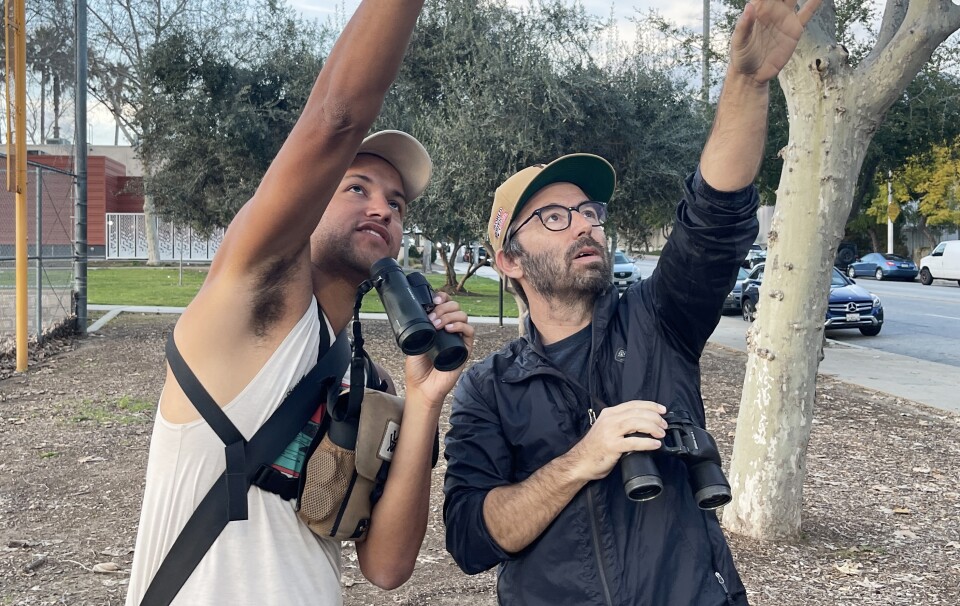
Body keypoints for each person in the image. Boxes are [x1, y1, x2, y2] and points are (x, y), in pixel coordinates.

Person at [442, 1, 821, 604]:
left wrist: (747, 83)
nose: (585, 227)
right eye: (556, 217)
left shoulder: (659, 321)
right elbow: (470, 539)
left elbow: (714, 222)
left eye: (591, 213)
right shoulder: (486, 388)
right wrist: (581, 460)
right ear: (509, 260)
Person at [125, 0, 474, 604]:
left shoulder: (362, 379)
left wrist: (423, 401)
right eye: (356, 187)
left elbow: (387, 567)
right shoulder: (246, 300)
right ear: (307, 200)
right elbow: (336, 118)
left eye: (396, 204)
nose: (382, 209)